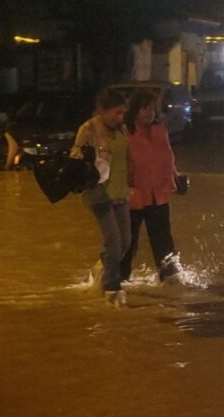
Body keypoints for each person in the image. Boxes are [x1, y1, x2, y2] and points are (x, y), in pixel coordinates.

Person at [71, 88, 130, 307]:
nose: (121, 118)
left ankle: (100, 269)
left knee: (125, 242)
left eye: (123, 113)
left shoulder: (122, 129)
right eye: (117, 113)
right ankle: (112, 288)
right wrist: (88, 161)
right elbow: (75, 158)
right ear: (102, 111)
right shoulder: (88, 129)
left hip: (120, 191)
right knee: (113, 241)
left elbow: (127, 157)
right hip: (99, 193)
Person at [121, 89, 182, 284]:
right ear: (134, 111)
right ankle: (120, 279)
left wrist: (177, 178)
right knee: (128, 242)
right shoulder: (125, 134)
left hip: (160, 195)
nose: (150, 113)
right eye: (144, 109)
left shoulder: (160, 131)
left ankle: (171, 278)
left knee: (164, 240)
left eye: (153, 109)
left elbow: (168, 159)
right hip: (134, 196)